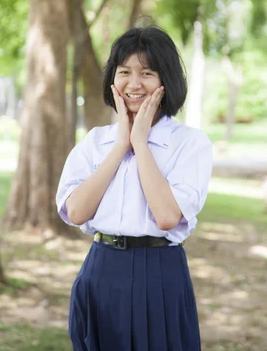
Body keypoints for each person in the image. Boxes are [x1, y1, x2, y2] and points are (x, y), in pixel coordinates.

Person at [56, 26, 213, 351]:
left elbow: (168, 216)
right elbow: (76, 211)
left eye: (147, 73)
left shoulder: (189, 144)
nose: (134, 83)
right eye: (124, 71)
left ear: (165, 81)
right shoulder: (95, 142)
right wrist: (119, 147)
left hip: (158, 273)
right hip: (101, 269)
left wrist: (140, 144)